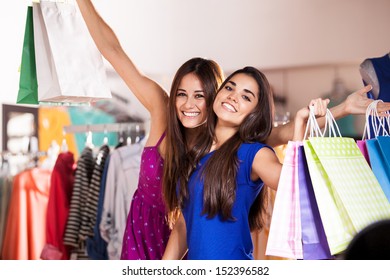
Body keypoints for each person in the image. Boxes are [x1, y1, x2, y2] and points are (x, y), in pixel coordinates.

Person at [76, 0, 390, 260]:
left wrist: (342, 110)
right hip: (146, 239)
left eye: (200, 96)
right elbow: (114, 52)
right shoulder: (170, 117)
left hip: (191, 248)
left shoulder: (235, 145)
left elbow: (284, 137)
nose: (188, 104)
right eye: (182, 94)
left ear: (214, 99)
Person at [162, 67, 329, 260]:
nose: (233, 97)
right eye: (229, 88)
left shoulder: (254, 153)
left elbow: (296, 185)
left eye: (246, 97)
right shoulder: (196, 151)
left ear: (255, 113)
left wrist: (300, 123)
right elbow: (184, 224)